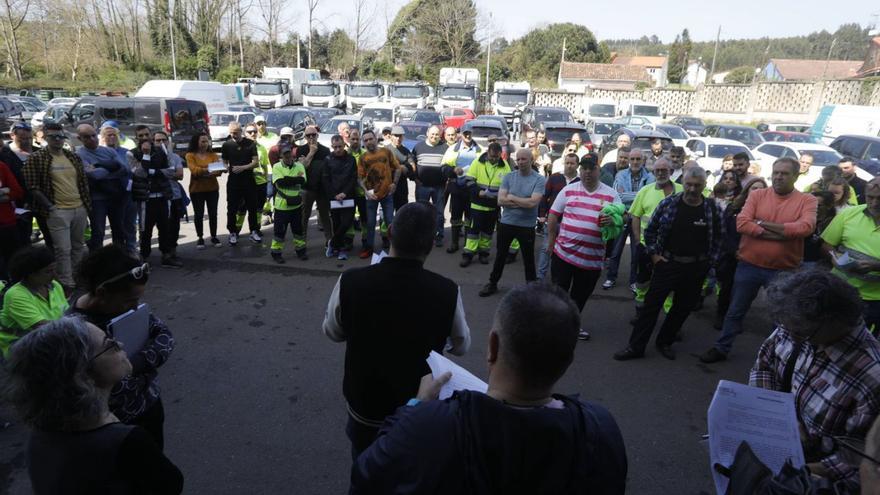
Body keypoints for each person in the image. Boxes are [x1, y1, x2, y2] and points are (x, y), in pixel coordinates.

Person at [350, 283, 627, 494]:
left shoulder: (431, 425)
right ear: (568, 361)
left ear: (492, 347)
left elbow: (367, 474)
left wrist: (416, 406)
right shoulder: (600, 429)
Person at [322, 202, 470, 459]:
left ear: (390, 231)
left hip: (365, 406)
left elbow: (333, 332)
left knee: (364, 465)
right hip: (417, 410)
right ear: (429, 245)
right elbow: (462, 346)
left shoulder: (351, 281)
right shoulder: (447, 290)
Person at [4, 317, 183, 494]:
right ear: (81, 374)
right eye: (109, 344)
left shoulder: (40, 436)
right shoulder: (126, 442)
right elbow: (170, 485)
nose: (119, 344)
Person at [749, 270, 880, 492]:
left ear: (834, 322)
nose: (789, 336)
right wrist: (776, 416)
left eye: (800, 333)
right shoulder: (797, 325)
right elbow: (765, 365)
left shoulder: (872, 376)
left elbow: (860, 458)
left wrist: (796, 473)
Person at [701, 157, 818, 363]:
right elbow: (742, 223)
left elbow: (805, 228)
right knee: (735, 311)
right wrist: (784, 232)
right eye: (776, 172)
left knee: (780, 318)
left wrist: (761, 224)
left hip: (784, 270)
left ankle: (776, 358)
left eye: (785, 173)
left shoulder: (807, 200)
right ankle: (722, 347)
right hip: (749, 266)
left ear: (796, 176)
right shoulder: (758, 195)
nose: (779, 177)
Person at [68, 245, 175, 449]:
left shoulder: (120, 306)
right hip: (114, 428)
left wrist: (133, 365)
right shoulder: (74, 334)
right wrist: (145, 370)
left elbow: (165, 337)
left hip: (149, 406)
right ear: (102, 292)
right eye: (131, 300)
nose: (136, 307)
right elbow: (100, 391)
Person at [614, 167, 723, 361]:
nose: (692, 189)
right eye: (689, 184)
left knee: (681, 309)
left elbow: (719, 238)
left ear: (705, 186)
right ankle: (635, 347)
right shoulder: (669, 204)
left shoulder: (712, 209)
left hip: (696, 269)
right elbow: (651, 230)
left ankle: (664, 342)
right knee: (650, 308)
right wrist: (654, 255)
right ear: (684, 183)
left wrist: (709, 264)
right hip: (667, 264)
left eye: (697, 186)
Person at [546, 153, 622, 341]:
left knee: (580, 297)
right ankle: (556, 326)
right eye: (584, 168)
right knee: (559, 294)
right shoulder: (569, 190)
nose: (587, 172)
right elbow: (553, 215)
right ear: (580, 170)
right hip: (564, 254)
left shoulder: (611, 194)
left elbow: (622, 218)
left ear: (599, 170)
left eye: (591, 168)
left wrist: (612, 219)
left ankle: (571, 326)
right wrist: (550, 242)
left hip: (592, 259)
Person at [22, 122, 91, 291]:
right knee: (63, 249)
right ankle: (65, 282)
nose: (58, 140)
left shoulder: (72, 156)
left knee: (78, 246)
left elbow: (82, 182)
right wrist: (51, 208)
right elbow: (32, 187)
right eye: (53, 137)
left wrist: (85, 205)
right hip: (58, 210)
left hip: (79, 207)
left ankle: (75, 276)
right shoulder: (36, 158)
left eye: (61, 136)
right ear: (45, 137)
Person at [479, 149, 546, 297]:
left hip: (526, 226)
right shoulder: (509, 177)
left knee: (528, 259)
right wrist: (523, 201)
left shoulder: (539, 180)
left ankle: (531, 287)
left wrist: (512, 198)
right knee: (500, 256)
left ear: (531, 161)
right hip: (507, 223)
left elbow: (533, 203)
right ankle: (492, 283)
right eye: (519, 159)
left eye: (524, 159)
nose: (521, 162)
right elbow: (501, 200)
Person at [821, 177, 880, 334]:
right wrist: (834, 258)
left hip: (875, 301)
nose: (874, 203)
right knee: (827, 333)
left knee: (860, 342)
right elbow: (827, 244)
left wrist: (876, 266)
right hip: (839, 290)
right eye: (870, 197)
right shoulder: (849, 214)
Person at [714, 177, 767, 329]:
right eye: (754, 188)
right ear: (748, 189)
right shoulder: (733, 208)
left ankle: (735, 320)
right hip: (733, 256)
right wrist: (734, 251)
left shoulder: (767, 211)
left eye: (761, 189)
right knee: (727, 288)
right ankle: (721, 315)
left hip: (753, 258)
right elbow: (724, 232)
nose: (757, 191)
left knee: (745, 293)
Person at [629, 159, 684, 305]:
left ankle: (667, 311)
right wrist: (637, 241)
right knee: (643, 280)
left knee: (670, 282)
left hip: (673, 248)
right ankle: (640, 308)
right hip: (646, 246)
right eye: (657, 170)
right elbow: (635, 216)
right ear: (653, 173)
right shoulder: (645, 191)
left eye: (664, 170)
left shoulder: (682, 190)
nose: (660, 173)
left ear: (671, 172)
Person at [0, 247, 66, 356]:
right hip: (20, 344)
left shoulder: (54, 286)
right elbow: (43, 327)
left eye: (54, 269)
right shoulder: (16, 295)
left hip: (50, 337)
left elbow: (66, 314)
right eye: (48, 271)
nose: (55, 275)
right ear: (30, 274)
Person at [603, 149, 655, 290]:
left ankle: (633, 281)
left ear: (643, 161)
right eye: (632, 159)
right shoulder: (620, 174)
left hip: (639, 218)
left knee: (636, 251)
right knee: (616, 250)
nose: (635, 162)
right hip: (623, 215)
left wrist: (629, 195)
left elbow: (647, 197)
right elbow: (617, 196)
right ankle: (611, 278)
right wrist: (639, 195)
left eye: (638, 159)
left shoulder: (650, 177)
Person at [130, 132, 181, 268]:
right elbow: (139, 173)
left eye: (147, 137)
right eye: (141, 137)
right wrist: (146, 155)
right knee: (145, 231)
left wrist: (151, 172)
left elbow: (170, 171)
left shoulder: (161, 153)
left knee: (165, 228)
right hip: (146, 200)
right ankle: (144, 257)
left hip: (163, 197)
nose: (145, 140)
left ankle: (166, 256)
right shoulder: (133, 154)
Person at [76, 124, 128, 251]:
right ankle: (97, 260)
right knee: (98, 232)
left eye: (94, 135)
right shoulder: (79, 154)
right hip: (97, 198)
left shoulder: (108, 151)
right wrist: (111, 167)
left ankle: (120, 258)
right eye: (87, 137)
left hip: (115, 196)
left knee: (119, 229)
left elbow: (124, 169)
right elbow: (94, 175)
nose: (92, 139)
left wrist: (98, 165)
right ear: (80, 139)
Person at [460, 143, 510, 267]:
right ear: (488, 152)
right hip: (477, 204)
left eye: (497, 157)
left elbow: (508, 185)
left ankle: (483, 254)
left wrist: (501, 194)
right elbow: (469, 180)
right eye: (492, 156)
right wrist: (479, 192)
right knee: (473, 232)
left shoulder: (505, 166)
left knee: (488, 233)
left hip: (493, 206)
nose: (494, 159)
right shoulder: (478, 162)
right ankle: (468, 255)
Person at [357, 129, 402, 258]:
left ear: (376, 139)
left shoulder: (386, 152)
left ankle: (396, 249)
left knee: (390, 222)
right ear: (363, 143)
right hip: (371, 195)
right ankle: (369, 248)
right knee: (370, 223)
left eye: (371, 139)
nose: (369, 142)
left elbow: (397, 168)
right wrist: (366, 191)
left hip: (387, 194)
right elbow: (359, 178)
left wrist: (394, 183)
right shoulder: (363, 158)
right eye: (365, 140)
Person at [537, 153, 580, 281]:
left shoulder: (580, 181)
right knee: (546, 248)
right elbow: (544, 197)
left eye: (572, 163)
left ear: (577, 165)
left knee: (564, 252)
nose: (569, 166)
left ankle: (559, 278)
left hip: (571, 223)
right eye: (567, 163)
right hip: (553, 220)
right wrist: (542, 215)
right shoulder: (555, 177)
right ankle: (540, 277)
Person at [441, 128, 481, 253]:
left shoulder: (479, 150)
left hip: (472, 189)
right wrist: (453, 170)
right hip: (457, 189)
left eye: (469, 133)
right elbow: (443, 167)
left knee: (470, 219)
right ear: (461, 135)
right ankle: (454, 243)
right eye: (465, 134)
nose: (468, 136)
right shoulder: (452, 149)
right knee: (456, 217)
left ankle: (467, 245)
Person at [100, 124, 138, 254]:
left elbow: (132, 171)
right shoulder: (100, 152)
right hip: (108, 195)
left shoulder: (125, 152)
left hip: (127, 193)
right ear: (103, 137)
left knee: (130, 224)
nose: (111, 137)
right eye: (108, 135)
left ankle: (132, 249)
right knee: (116, 226)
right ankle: (119, 252)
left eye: (114, 135)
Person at [221, 122, 260, 246]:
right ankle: (232, 232)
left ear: (241, 131)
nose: (234, 135)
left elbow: (255, 162)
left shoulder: (250, 144)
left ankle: (253, 231)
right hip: (233, 182)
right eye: (232, 133)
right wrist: (225, 167)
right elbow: (224, 160)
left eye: (236, 133)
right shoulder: (227, 145)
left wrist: (243, 167)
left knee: (252, 207)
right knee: (231, 208)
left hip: (248, 180)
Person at [413, 125, 452, 247]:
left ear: (440, 135)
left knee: (439, 213)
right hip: (422, 186)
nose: (434, 136)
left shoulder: (445, 148)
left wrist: (447, 180)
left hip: (439, 187)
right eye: (432, 134)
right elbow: (411, 164)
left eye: (437, 134)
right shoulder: (418, 147)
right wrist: (414, 179)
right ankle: (421, 235)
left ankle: (438, 235)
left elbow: (449, 166)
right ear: (427, 133)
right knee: (421, 212)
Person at [270, 144, 307, 263]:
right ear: (281, 155)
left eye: (289, 153)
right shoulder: (276, 166)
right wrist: (294, 179)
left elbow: (302, 181)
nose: (287, 156)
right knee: (279, 232)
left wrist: (287, 179)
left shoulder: (299, 165)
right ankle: (276, 253)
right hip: (281, 207)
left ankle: (301, 251)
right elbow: (280, 183)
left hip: (296, 205)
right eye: (284, 154)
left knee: (298, 231)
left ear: (292, 154)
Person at [185, 132, 223, 249]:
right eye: (202, 141)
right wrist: (210, 170)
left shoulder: (213, 155)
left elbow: (219, 171)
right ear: (196, 142)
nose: (205, 144)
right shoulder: (190, 155)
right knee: (198, 214)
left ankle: (214, 236)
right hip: (196, 190)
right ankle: (200, 237)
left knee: (213, 214)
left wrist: (202, 171)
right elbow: (194, 170)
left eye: (206, 141)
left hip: (212, 189)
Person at [323, 135, 358, 261]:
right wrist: (334, 195)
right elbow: (326, 179)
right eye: (335, 147)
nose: (337, 149)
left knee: (347, 222)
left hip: (348, 196)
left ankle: (332, 243)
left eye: (340, 146)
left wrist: (345, 193)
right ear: (332, 147)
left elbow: (353, 178)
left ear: (344, 145)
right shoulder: (327, 159)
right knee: (337, 224)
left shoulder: (351, 159)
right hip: (334, 197)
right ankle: (340, 249)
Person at [152, 131, 185, 264]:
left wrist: (160, 173)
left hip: (175, 195)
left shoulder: (175, 157)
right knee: (163, 226)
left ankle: (172, 251)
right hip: (159, 197)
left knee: (174, 225)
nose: (161, 143)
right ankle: (165, 253)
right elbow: (149, 175)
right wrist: (167, 172)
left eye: (163, 140)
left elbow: (180, 175)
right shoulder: (151, 157)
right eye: (157, 140)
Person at [298, 125, 333, 248]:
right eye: (308, 135)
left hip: (322, 190)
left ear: (318, 135)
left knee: (325, 217)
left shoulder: (325, 150)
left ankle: (329, 241)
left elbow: (328, 170)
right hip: (307, 189)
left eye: (314, 135)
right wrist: (312, 152)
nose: (311, 137)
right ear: (305, 137)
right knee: (304, 217)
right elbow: (302, 168)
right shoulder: (301, 150)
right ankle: (301, 242)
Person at [0, 157, 24, 279]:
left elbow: (17, 192)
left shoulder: (1, 166)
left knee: (13, 260)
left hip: (6, 223)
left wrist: (7, 193)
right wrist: (4, 191)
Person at [802, 191, 836, 268]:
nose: (813, 208)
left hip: (821, 264)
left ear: (829, 206)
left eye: (818, 205)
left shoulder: (834, 223)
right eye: (810, 205)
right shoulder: (804, 219)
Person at [385, 125, 413, 213]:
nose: (398, 138)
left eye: (400, 136)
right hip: (387, 186)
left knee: (402, 213)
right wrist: (401, 167)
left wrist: (398, 167)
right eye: (396, 136)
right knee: (387, 215)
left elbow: (412, 168)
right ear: (391, 136)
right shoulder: (385, 150)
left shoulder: (406, 151)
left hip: (402, 187)